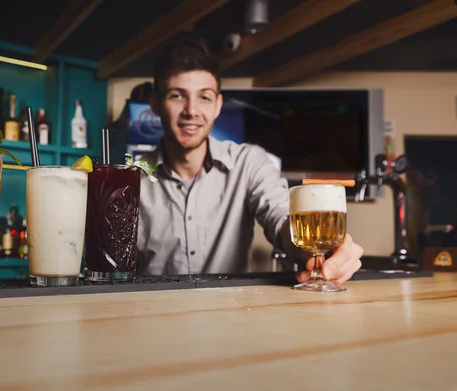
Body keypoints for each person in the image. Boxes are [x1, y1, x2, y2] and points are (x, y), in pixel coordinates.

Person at [136, 38, 363, 286]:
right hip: (155, 314)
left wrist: (315, 251)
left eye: (204, 97)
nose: (191, 110)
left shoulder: (249, 162)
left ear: (217, 106)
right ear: (155, 103)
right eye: (177, 96)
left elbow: (279, 219)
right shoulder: (129, 180)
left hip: (230, 315)